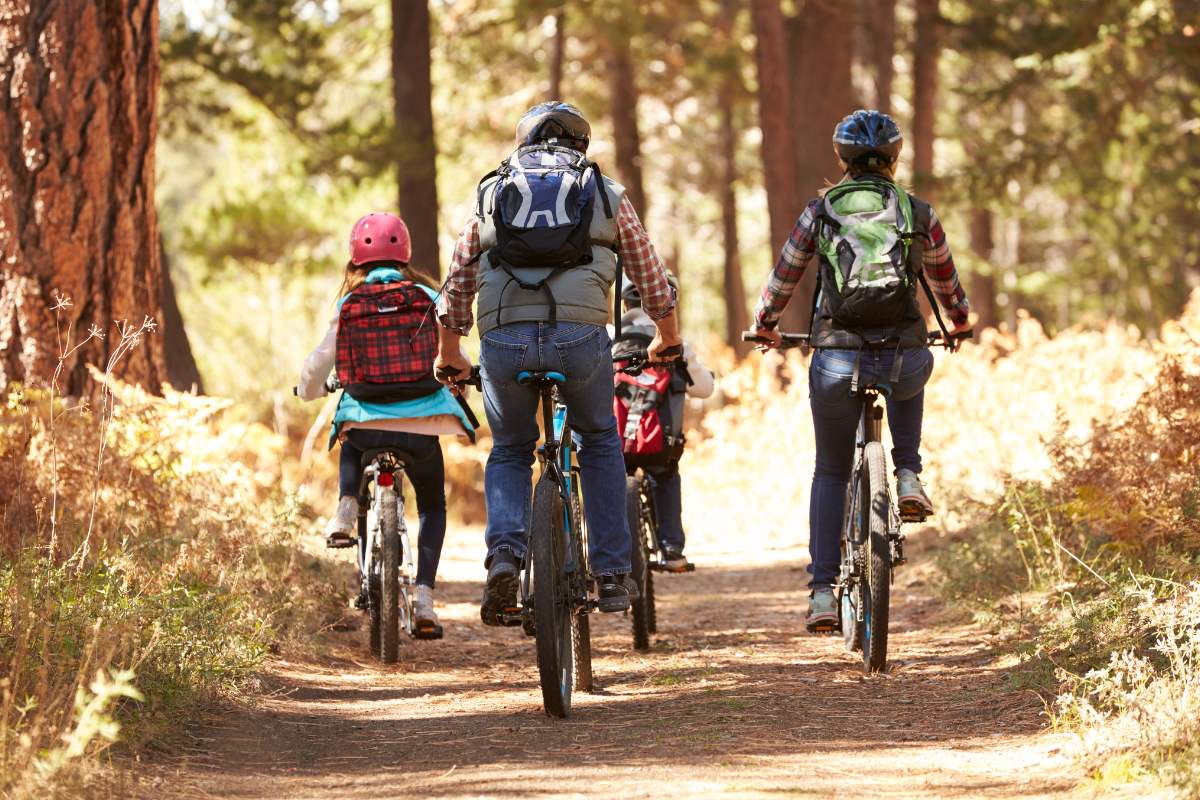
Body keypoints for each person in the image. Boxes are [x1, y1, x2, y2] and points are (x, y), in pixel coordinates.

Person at [433, 101, 682, 623]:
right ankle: (613, 573)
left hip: (503, 340)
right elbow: (651, 276)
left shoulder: (491, 190)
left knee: (510, 449)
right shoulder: (604, 192)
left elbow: (458, 277)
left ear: (523, 142)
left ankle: (504, 555)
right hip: (580, 338)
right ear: (581, 145)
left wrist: (449, 351)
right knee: (599, 439)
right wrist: (667, 338)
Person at [750, 109, 972, 632]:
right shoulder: (917, 212)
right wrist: (958, 323)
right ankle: (908, 472)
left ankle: (823, 593)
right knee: (909, 370)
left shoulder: (820, 211)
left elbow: (784, 277)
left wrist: (765, 324)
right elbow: (945, 281)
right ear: (895, 158)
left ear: (842, 160)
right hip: (903, 351)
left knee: (830, 470)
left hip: (836, 354)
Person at [298, 212, 475, 632]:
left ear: (356, 258)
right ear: (406, 253)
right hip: (421, 421)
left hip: (366, 418)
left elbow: (319, 362)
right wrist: (463, 382)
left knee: (351, 437)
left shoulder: (349, 303)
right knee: (432, 506)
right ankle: (427, 600)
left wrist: (307, 391)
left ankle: (346, 507)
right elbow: (453, 355)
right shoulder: (427, 296)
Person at [614, 277, 714, 569]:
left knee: (607, 480)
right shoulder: (676, 344)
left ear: (624, 304)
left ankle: (607, 557)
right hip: (660, 444)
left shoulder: (610, 337)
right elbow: (704, 389)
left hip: (615, 441)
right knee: (666, 475)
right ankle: (671, 549)